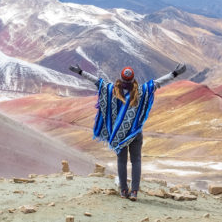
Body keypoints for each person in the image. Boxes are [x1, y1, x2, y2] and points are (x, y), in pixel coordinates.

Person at [69, 62, 187, 201]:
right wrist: (175, 73)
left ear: (121, 78)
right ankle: (135, 191)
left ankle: (124, 190)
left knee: (122, 161)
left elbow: (97, 81)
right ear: (133, 79)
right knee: (136, 161)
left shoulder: (111, 90)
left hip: (119, 135)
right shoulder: (141, 91)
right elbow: (158, 83)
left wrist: (80, 72)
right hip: (135, 133)